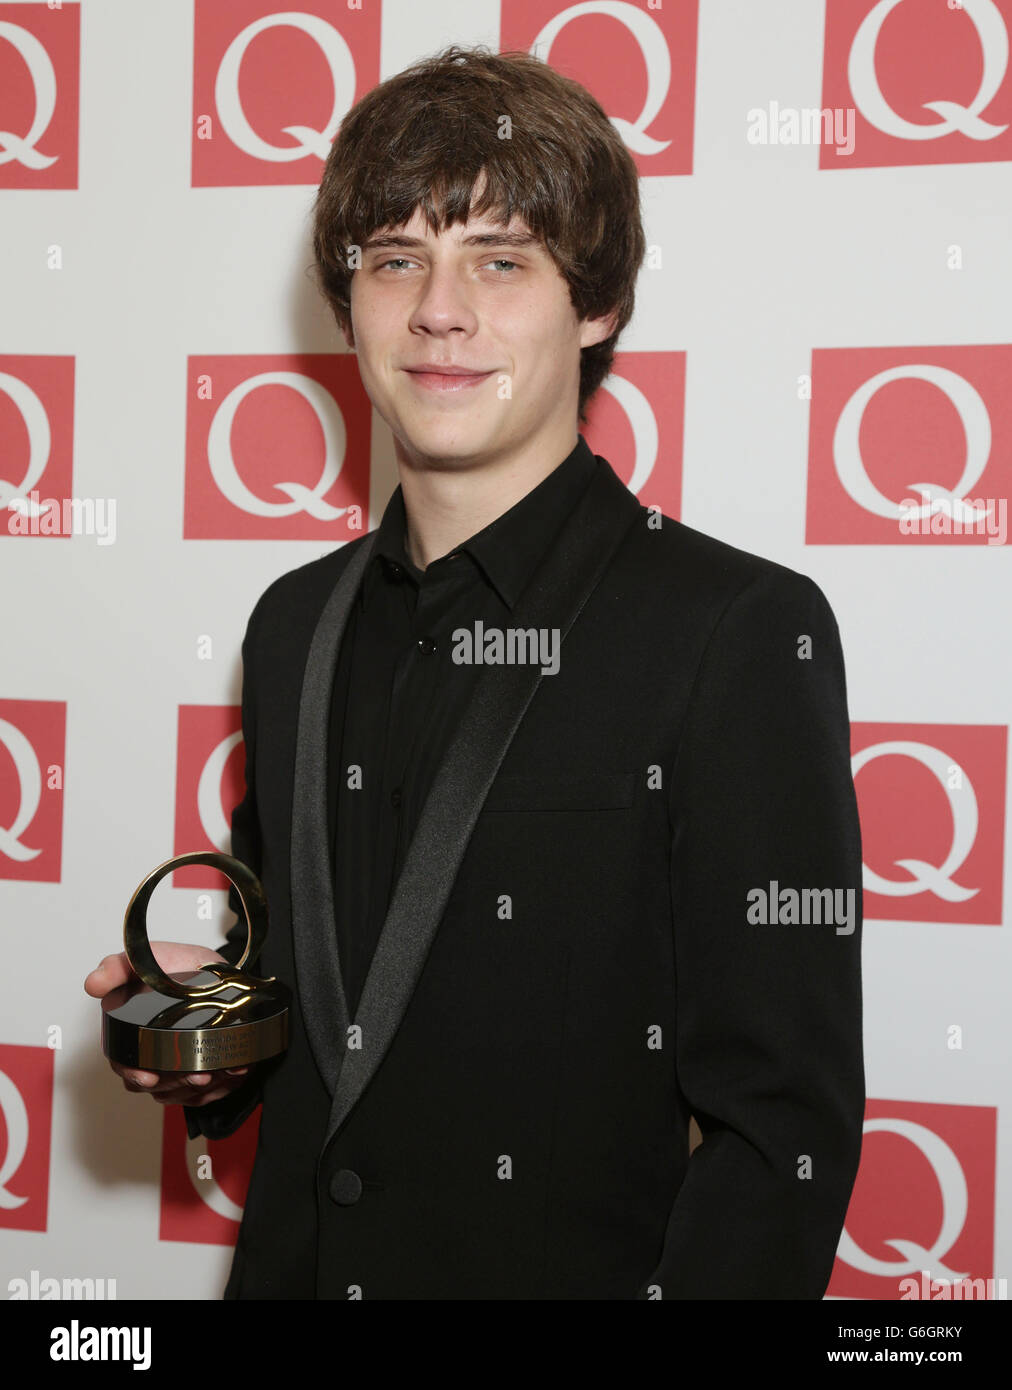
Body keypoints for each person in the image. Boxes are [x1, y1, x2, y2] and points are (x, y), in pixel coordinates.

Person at [85, 44, 864, 1300]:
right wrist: (217, 1047)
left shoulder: (733, 629)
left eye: (499, 260)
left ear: (595, 303)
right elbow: (326, 1000)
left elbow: (783, 1137)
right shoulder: (292, 622)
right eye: (396, 260)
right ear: (350, 303)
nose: (438, 309)